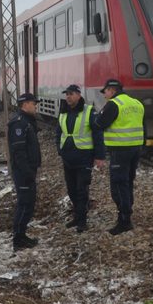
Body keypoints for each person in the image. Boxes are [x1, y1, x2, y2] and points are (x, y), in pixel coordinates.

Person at [94, 79, 145, 235]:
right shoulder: (136, 103)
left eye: (106, 92)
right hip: (135, 149)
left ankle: (124, 220)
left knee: (118, 184)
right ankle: (127, 212)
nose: (104, 95)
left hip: (120, 150)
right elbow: (143, 125)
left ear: (112, 90)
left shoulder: (114, 104)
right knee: (128, 181)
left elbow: (99, 123)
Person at [55, 85, 105, 233]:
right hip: (68, 157)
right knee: (71, 190)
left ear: (78, 95)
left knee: (81, 189)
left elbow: (98, 134)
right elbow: (58, 133)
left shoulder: (89, 111)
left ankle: (82, 221)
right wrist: (60, 149)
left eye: (71, 94)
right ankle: (77, 216)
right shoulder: (63, 112)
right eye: (66, 95)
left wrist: (99, 156)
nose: (68, 97)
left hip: (84, 157)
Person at [8, 93, 42, 250]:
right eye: (33, 103)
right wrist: (28, 173)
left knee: (28, 204)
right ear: (25, 104)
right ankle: (18, 239)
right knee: (25, 204)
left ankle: (21, 236)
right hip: (23, 172)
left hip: (27, 171)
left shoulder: (27, 122)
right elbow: (19, 152)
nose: (36, 106)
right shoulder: (19, 124)